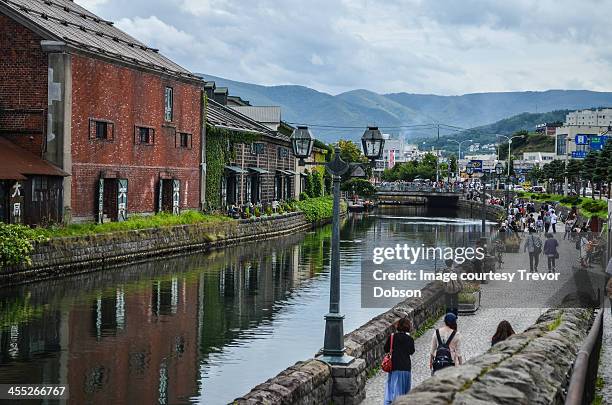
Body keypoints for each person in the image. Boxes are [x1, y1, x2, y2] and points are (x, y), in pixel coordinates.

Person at [384, 317, 415, 405]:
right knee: (405, 391)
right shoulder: (410, 339)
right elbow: (411, 351)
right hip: (406, 367)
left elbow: (386, 349)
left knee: (393, 391)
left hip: (395, 366)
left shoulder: (392, 337)